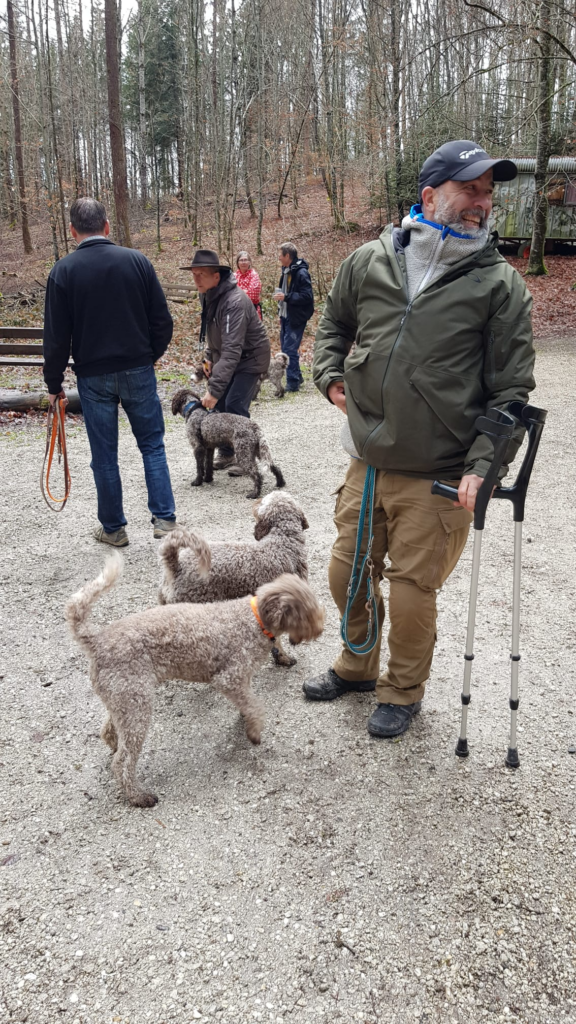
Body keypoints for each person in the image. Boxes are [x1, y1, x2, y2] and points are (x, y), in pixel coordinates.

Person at [307, 139, 536, 739]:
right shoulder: (370, 260)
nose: (482, 203)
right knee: (345, 573)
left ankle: (401, 691)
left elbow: (511, 390)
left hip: (437, 468)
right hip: (366, 459)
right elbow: (333, 323)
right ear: (431, 195)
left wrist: (483, 467)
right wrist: (330, 376)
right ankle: (356, 665)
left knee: (411, 591)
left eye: (488, 193)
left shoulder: (499, 285)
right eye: (471, 189)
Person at [43, 197, 177, 547]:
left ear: (73, 231)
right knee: (152, 446)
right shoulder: (137, 261)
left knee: (104, 455)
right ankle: (164, 520)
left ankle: (113, 528)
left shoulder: (63, 272)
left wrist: (54, 383)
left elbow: (56, 337)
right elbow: (162, 321)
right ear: (106, 225)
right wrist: (149, 356)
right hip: (137, 368)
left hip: (93, 376)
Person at [182, 249, 270, 471]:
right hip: (231, 356)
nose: (196, 278)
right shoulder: (209, 295)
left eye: (201, 274)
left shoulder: (234, 302)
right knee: (221, 404)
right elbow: (215, 337)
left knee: (233, 403)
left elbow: (232, 349)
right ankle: (228, 452)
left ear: (216, 276)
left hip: (251, 358)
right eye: (194, 274)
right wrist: (209, 360)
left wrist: (213, 389)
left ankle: (246, 457)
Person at [275, 242, 314, 392]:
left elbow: (307, 296)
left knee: (289, 349)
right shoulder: (286, 271)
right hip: (286, 313)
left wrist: (286, 296)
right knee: (286, 346)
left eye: (280, 255)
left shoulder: (301, 273)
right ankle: (297, 375)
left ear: (287, 256)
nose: (279, 258)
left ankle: (293, 382)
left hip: (297, 315)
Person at [236, 251, 262, 319]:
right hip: (236, 312)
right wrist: (245, 291)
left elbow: (253, 295)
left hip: (252, 310)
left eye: (245, 260)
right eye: (241, 260)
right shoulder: (234, 276)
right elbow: (229, 294)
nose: (243, 262)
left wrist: (237, 291)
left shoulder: (254, 275)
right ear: (238, 263)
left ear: (249, 262)